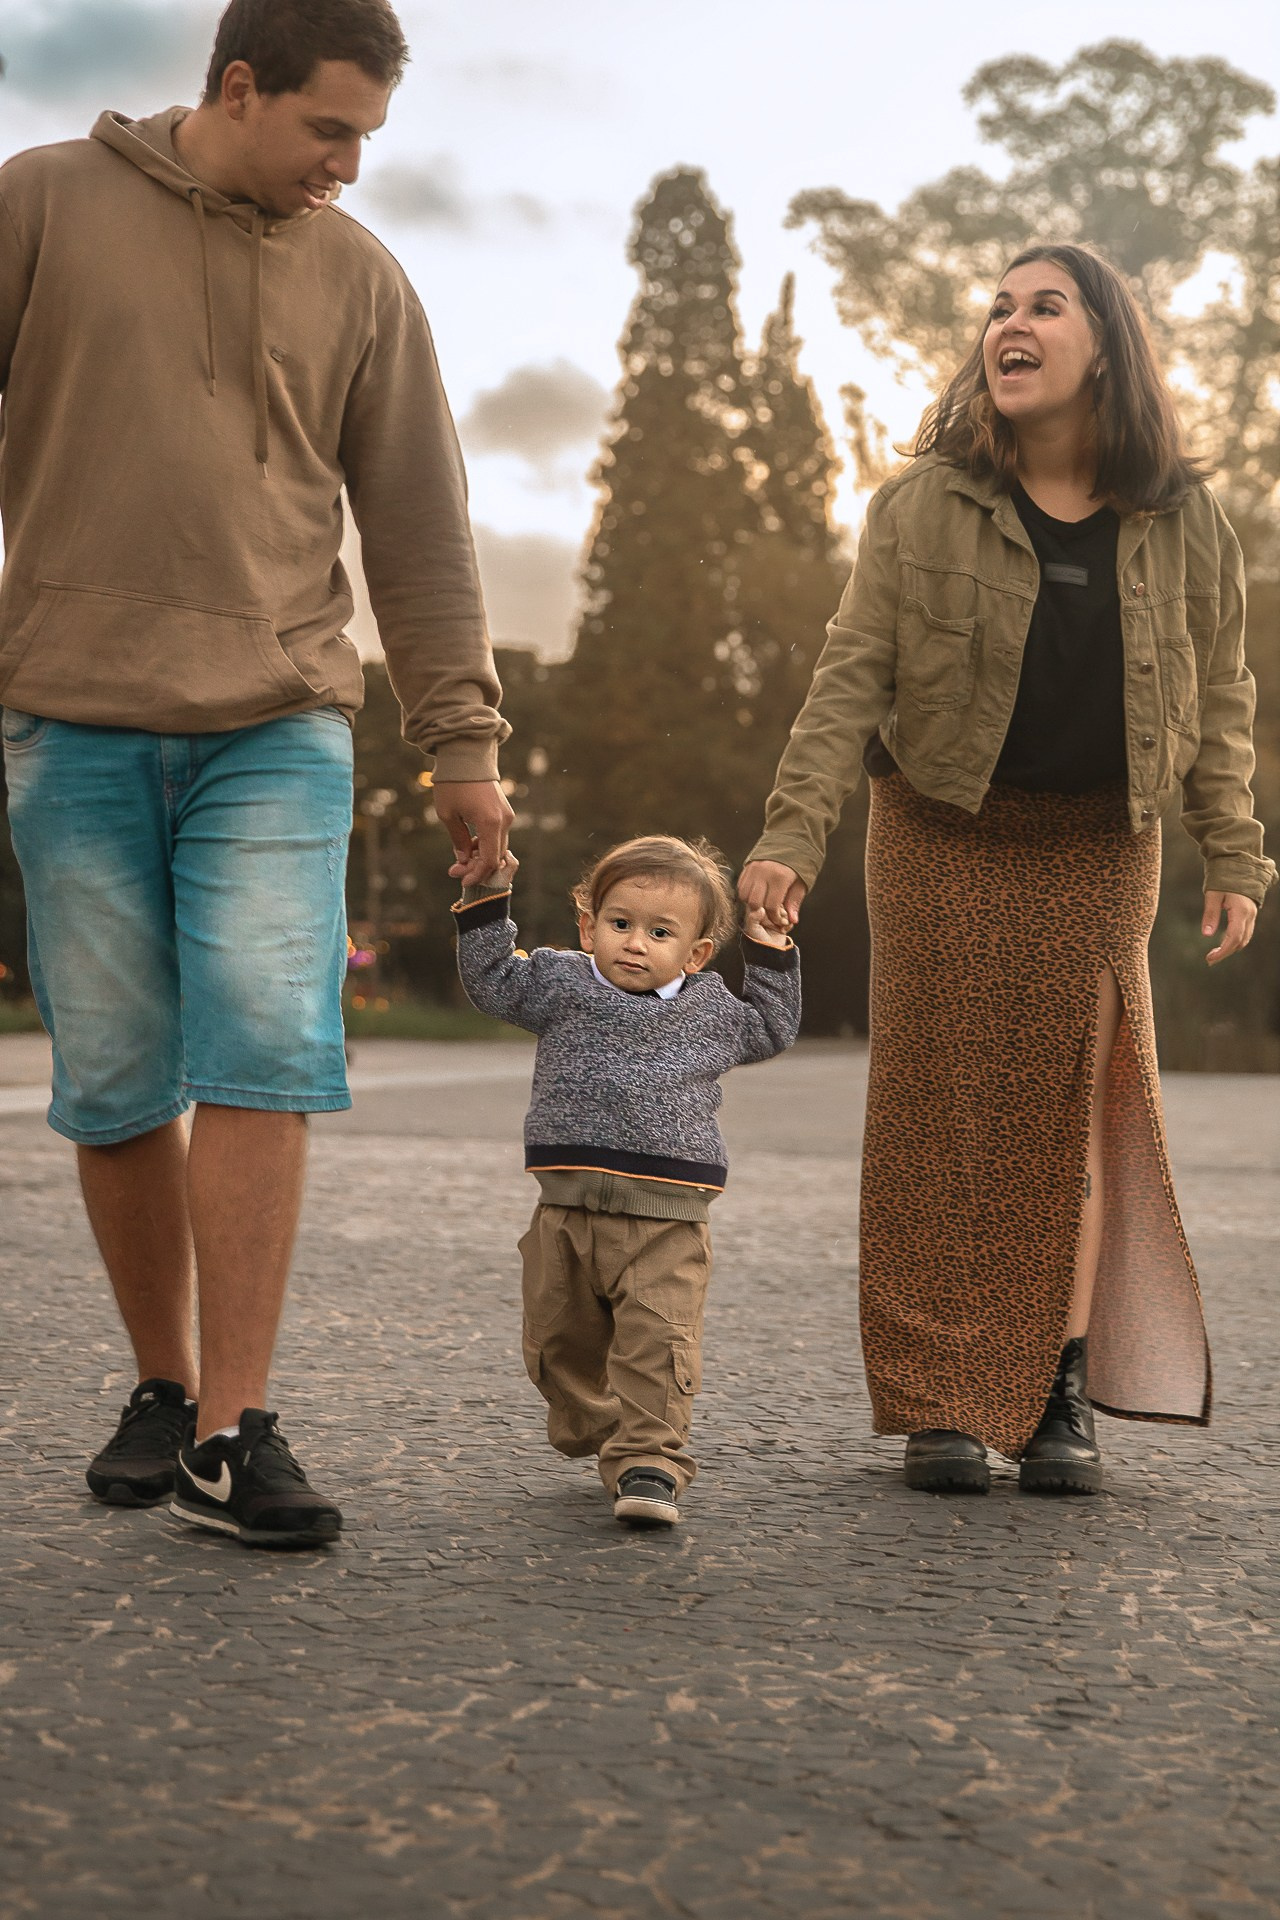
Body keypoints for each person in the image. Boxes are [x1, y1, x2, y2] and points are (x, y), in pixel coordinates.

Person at [0, 0, 512, 1547]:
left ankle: (235, 1424)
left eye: (368, 137)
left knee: (263, 1046)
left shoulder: (361, 278)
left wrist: (464, 745)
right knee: (112, 1082)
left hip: (281, 719)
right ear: (237, 85)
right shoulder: (36, 205)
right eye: (329, 130)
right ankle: (162, 1383)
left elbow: (419, 524)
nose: (350, 168)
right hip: (70, 712)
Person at [740, 243, 1274, 1497]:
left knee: (1080, 1105)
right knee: (939, 1107)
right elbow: (849, 673)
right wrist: (789, 833)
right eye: (997, 308)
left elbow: (1224, 692)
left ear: (1106, 349)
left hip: (1098, 839)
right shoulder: (921, 503)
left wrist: (1234, 847)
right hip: (938, 829)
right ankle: (936, 1398)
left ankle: (1052, 1388)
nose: (1009, 324)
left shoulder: (1182, 516)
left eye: (1044, 306)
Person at [453, 837, 801, 1525]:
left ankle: (650, 1461)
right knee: (557, 1345)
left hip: (667, 1221)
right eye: (620, 924)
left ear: (696, 953)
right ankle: (602, 1424)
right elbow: (491, 979)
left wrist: (769, 950)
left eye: (660, 932)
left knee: (657, 1344)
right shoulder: (559, 984)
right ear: (589, 926)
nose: (636, 944)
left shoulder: (713, 1011)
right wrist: (484, 896)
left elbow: (773, 1026)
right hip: (565, 1214)